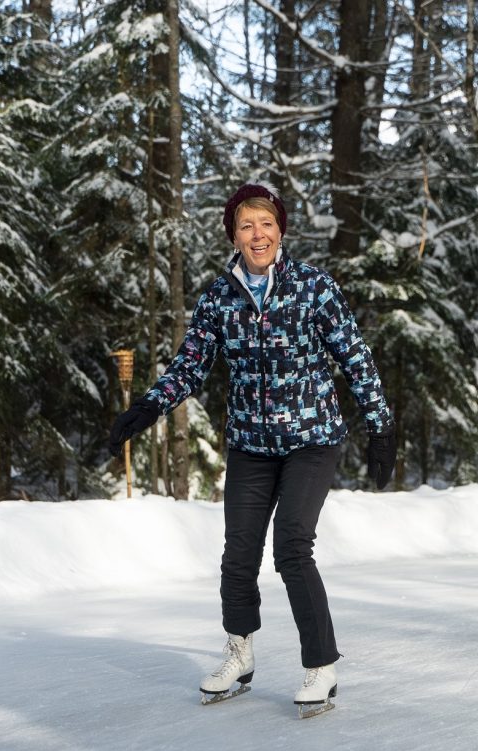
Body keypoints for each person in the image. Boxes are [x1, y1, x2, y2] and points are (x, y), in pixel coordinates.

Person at [108, 182, 396, 716]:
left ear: (280, 230)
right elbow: (190, 364)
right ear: (234, 236)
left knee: (291, 546)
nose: (257, 234)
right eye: (246, 225)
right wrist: (147, 408)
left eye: (265, 223)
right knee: (238, 553)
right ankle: (239, 652)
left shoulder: (313, 287)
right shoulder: (220, 297)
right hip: (250, 443)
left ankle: (320, 665)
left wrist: (381, 428)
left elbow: (356, 358)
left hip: (311, 439)